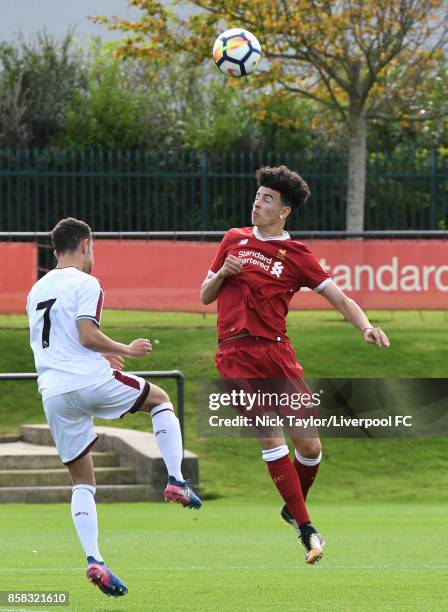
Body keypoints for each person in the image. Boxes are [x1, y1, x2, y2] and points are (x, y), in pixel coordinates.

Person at [200, 165, 390, 564]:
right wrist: (223, 275)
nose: (257, 202)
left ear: (284, 210)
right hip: (236, 354)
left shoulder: (298, 255)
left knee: (310, 447)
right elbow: (204, 294)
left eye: (268, 199)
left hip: (278, 353)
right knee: (271, 437)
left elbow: (340, 298)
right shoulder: (233, 239)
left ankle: (293, 507)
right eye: (257, 196)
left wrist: (366, 326)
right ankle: (308, 531)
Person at [27, 217, 201, 598]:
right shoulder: (87, 283)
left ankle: (94, 559)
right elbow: (87, 334)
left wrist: (100, 359)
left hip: (53, 393)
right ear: (86, 244)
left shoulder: (36, 290)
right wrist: (125, 349)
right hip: (86, 382)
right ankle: (175, 480)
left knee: (83, 482)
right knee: (160, 400)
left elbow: (57, 343)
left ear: (55, 251)